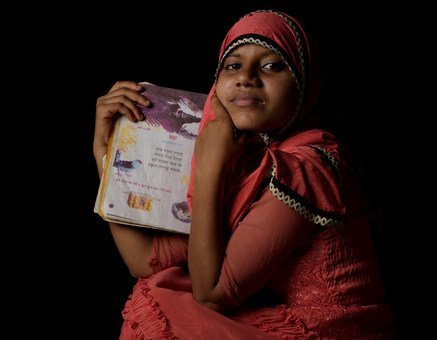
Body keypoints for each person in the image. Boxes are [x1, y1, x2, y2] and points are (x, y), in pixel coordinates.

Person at [94, 9, 397, 339]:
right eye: (233, 65)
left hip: (332, 331)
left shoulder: (309, 165)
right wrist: (105, 151)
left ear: (304, 84)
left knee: (167, 307)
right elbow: (145, 261)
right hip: (278, 312)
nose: (246, 77)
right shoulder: (243, 155)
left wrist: (210, 165)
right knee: (157, 288)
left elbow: (212, 294)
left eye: (272, 65)